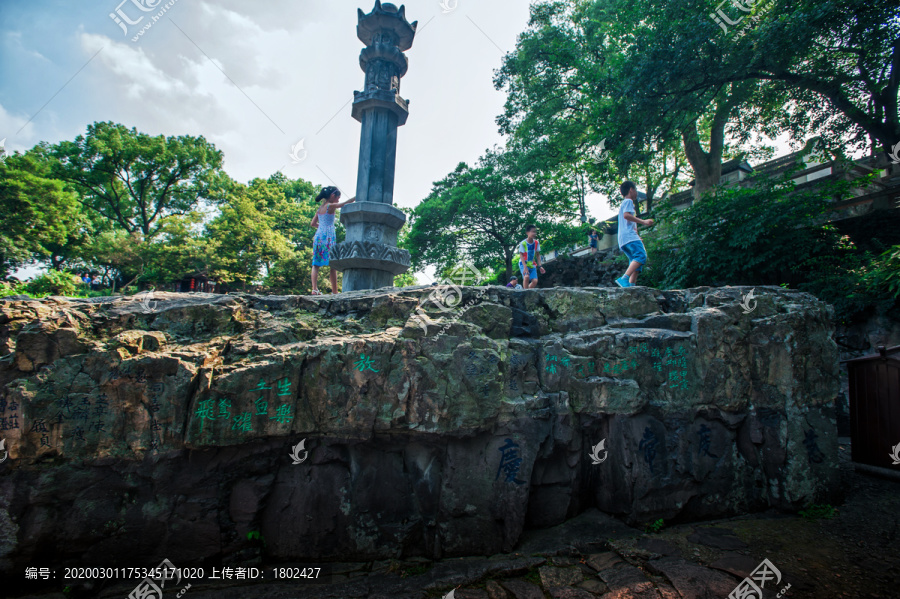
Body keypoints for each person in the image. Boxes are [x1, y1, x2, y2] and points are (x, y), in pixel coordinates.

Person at [310, 186, 355, 295]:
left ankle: (314, 289)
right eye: (337, 198)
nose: (338, 200)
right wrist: (356, 196)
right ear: (332, 196)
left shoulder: (319, 209)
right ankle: (335, 291)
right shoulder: (330, 206)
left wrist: (322, 227)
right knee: (333, 264)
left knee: (316, 264)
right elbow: (343, 204)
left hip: (318, 236)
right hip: (328, 237)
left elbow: (313, 224)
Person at [615, 181, 654, 288]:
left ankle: (631, 286)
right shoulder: (628, 201)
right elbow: (626, 216)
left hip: (624, 238)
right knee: (641, 256)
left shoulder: (624, 204)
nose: (636, 192)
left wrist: (637, 235)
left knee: (635, 262)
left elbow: (630, 222)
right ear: (631, 190)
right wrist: (644, 221)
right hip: (629, 236)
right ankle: (624, 278)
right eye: (636, 190)